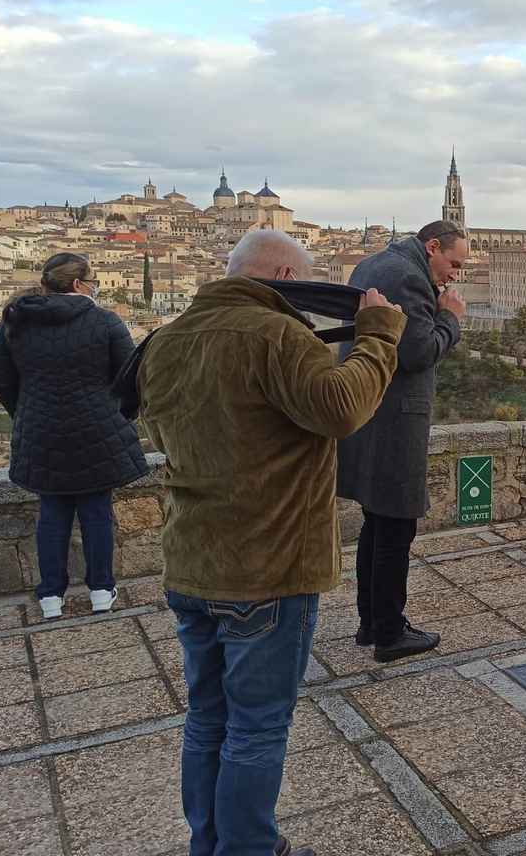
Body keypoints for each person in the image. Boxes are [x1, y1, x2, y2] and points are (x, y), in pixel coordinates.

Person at [139, 230, 405, 856]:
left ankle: (210, 844)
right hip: (268, 566)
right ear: (286, 275)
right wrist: (378, 336)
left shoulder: (164, 340)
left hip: (192, 561)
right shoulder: (275, 334)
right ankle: (249, 849)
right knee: (257, 727)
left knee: (207, 718)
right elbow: (342, 408)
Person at [0, 252, 148, 620]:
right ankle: (101, 592)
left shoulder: (16, 321)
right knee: (96, 512)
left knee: (53, 513)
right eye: (92, 280)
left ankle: (50, 598)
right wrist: (120, 415)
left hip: (42, 431)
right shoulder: (105, 321)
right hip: (97, 431)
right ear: (78, 284)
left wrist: (25, 412)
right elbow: (131, 378)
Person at [337, 220, 467, 662]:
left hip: (368, 411)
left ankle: (370, 623)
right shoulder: (408, 277)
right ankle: (390, 633)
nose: (455, 275)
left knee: (377, 524)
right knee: (395, 527)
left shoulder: (372, 264)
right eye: (453, 263)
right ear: (432, 246)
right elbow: (417, 352)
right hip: (394, 421)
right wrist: (450, 317)